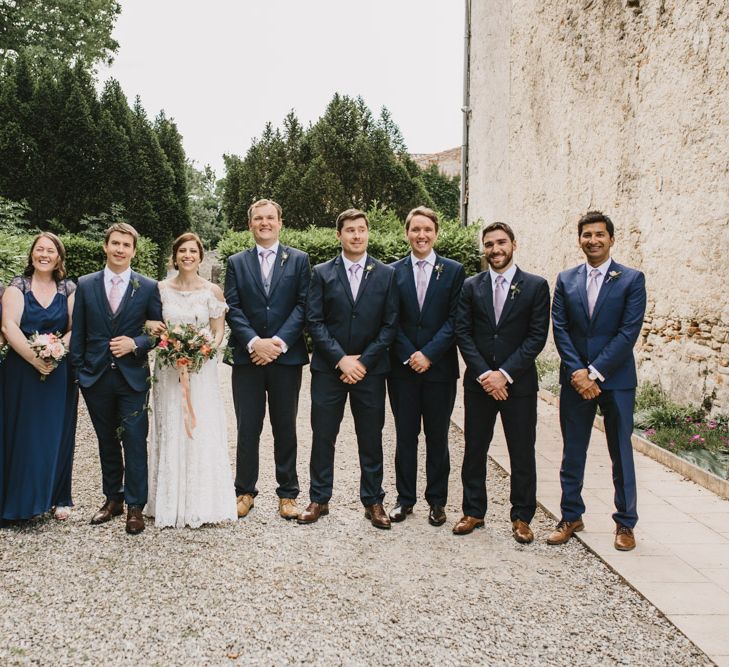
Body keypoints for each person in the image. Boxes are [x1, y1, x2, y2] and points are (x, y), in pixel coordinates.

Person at [548, 210, 646, 551]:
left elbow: (627, 331)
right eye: (587, 235)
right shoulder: (566, 279)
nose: (593, 240)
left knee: (621, 452)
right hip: (575, 380)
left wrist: (595, 372)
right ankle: (570, 514)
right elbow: (560, 328)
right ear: (580, 239)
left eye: (599, 234)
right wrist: (578, 372)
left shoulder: (631, 279)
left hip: (616, 380)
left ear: (611, 239)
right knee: (573, 450)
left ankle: (625, 523)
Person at [299, 208, 399, 529]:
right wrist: (341, 359)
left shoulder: (386, 274)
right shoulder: (322, 273)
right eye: (350, 230)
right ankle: (319, 498)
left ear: (368, 233)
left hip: (371, 371)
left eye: (361, 230)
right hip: (330, 370)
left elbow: (390, 325)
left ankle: (374, 501)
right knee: (323, 434)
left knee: (370, 436)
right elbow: (314, 321)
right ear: (339, 235)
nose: (356, 235)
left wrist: (363, 361)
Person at [454, 222, 550, 543]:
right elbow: (463, 333)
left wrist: (504, 374)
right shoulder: (471, 286)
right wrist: (485, 374)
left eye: (501, 243)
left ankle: (522, 517)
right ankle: (473, 511)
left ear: (513, 244)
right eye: (489, 244)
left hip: (517, 385)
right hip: (479, 384)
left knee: (521, 451)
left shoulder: (536, 286)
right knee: (475, 448)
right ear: (484, 248)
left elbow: (536, 337)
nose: (495, 249)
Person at [70, 222, 162, 535]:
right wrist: (81, 373)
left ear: (134, 251)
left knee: (135, 440)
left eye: (126, 245)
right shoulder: (85, 284)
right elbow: (79, 332)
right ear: (105, 247)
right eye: (115, 244)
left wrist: (135, 343)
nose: (120, 249)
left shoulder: (147, 287)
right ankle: (113, 499)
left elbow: (157, 333)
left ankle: (135, 506)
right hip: (95, 378)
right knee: (106, 440)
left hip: (133, 378)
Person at [224, 199, 310, 520]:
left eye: (270, 217)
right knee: (248, 426)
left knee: (285, 426)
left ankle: (288, 494)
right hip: (248, 359)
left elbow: (303, 305)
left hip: (285, 358)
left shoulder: (300, 260)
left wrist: (277, 343)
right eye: (258, 218)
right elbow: (232, 306)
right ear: (250, 225)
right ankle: (244, 491)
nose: (264, 222)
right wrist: (254, 343)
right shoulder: (236, 262)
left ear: (280, 222)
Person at [145, 233, 237, 528]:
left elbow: (219, 331)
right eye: (182, 251)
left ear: (200, 256)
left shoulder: (213, 292)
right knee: (170, 424)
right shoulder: (159, 290)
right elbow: (149, 323)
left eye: (193, 251)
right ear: (175, 256)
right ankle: (167, 503)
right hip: (168, 369)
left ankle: (203, 503)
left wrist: (203, 349)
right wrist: (158, 333)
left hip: (200, 371)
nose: (187, 255)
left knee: (202, 427)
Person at [387, 206, 465, 527]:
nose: (421, 235)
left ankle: (437, 501)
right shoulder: (392, 271)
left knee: (438, 437)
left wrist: (429, 354)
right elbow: (390, 318)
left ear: (436, 233)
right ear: (407, 233)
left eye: (427, 230)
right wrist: (409, 354)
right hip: (402, 370)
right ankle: (405, 499)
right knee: (405, 436)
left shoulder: (453, 270)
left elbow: (455, 319)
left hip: (440, 369)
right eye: (415, 229)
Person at [1, 234, 78, 522]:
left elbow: (75, 327)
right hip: (21, 371)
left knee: (54, 433)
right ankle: (14, 499)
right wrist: (35, 358)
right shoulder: (17, 287)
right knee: (20, 432)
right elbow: (9, 327)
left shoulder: (68, 289)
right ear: (31, 254)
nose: (44, 255)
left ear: (59, 257)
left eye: (50, 250)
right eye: (39, 250)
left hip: (58, 372)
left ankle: (57, 496)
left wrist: (56, 352)